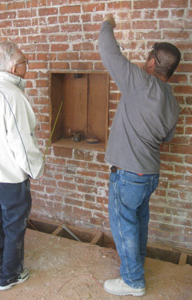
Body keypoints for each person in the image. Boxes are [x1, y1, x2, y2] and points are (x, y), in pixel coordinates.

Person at [98, 15, 181, 297]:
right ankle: (137, 265)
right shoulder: (172, 101)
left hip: (130, 175)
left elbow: (109, 51)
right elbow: (165, 139)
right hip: (149, 175)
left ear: (151, 63)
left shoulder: (140, 83)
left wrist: (108, 23)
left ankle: (132, 281)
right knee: (138, 221)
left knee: (124, 225)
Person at [0, 41, 44, 291]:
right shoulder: (12, 96)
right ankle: (9, 275)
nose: (27, 65)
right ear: (13, 68)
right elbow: (23, 143)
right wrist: (36, 169)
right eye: (25, 62)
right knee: (14, 225)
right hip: (8, 178)